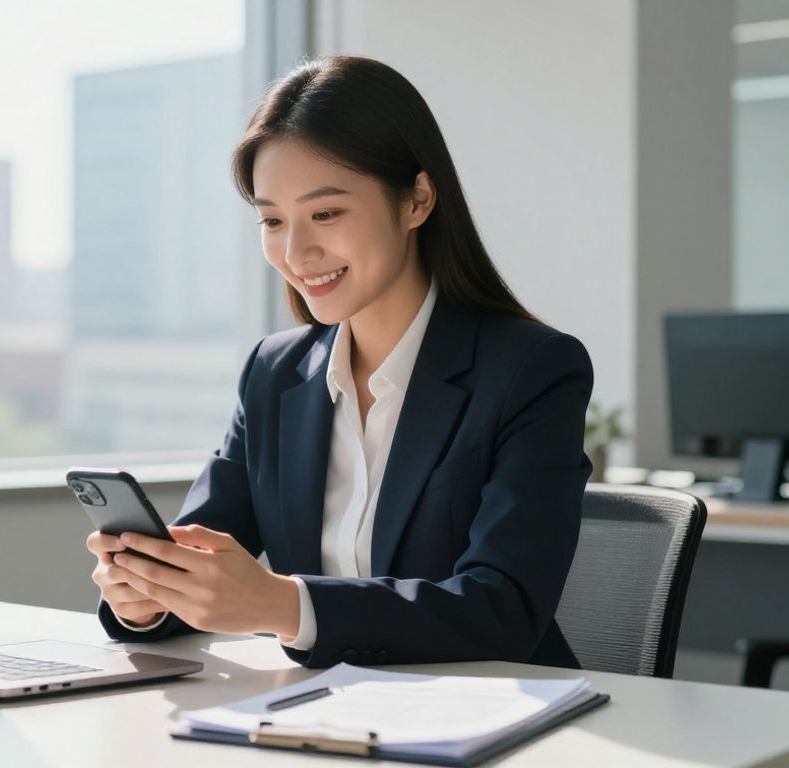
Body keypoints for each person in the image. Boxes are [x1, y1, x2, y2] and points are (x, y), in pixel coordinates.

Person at [85, 55, 593, 669]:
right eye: (273, 220)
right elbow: (205, 556)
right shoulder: (275, 373)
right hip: (328, 719)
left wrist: (284, 605)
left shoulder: (532, 370)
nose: (296, 252)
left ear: (417, 200)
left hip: (497, 722)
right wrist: (148, 596)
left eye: (325, 213)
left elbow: (502, 608)